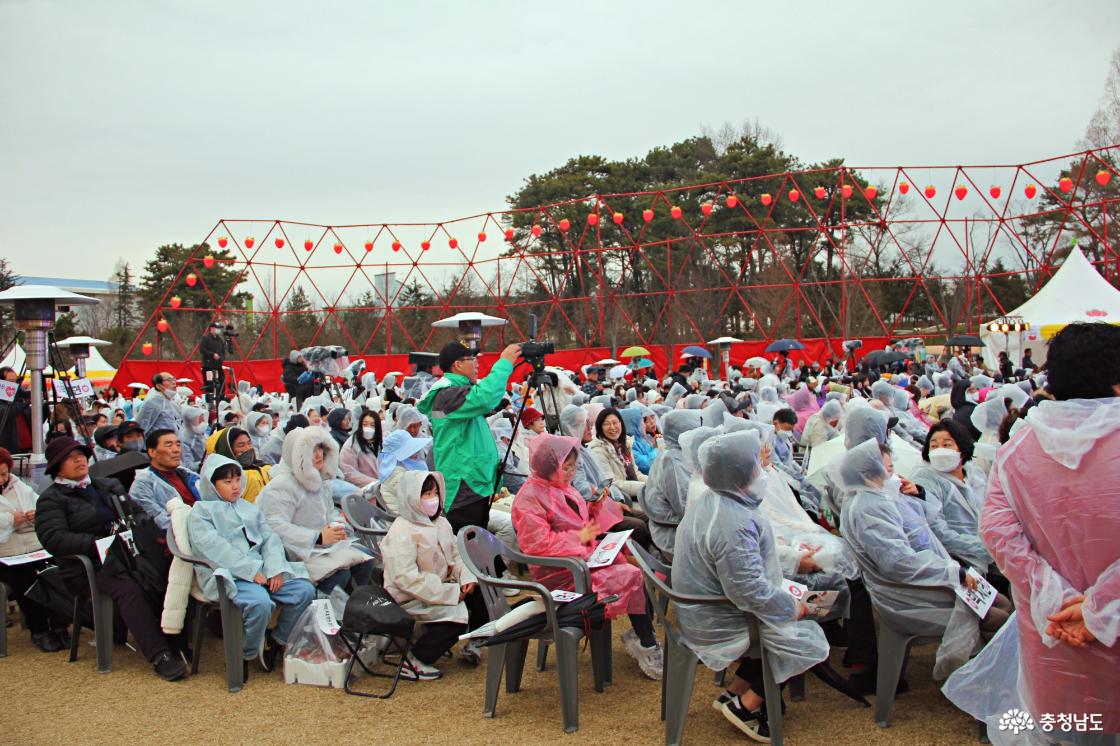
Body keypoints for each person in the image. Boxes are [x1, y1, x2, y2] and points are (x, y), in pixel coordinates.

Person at [980, 322, 1120, 732]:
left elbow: (997, 533)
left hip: (1055, 641)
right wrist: (1099, 608)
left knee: (1070, 731)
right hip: (1086, 630)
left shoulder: (1017, 449)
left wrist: (1058, 599)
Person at [672, 430, 829, 740]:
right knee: (804, 633)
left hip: (706, 608)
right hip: (720, 617)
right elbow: (748, 590)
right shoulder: (732, 520)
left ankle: (735, 690)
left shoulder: (719, 500)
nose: (763, 469)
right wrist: (791, 607)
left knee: (801, 611)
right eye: (757, 463)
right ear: (740, 471)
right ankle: (748, 705)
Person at [839, 439, 1009, 684]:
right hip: (909, 594)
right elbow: (897, 562)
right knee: (1001, 618)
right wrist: (953, 573)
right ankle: (988, 681)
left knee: (1003, 603)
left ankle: (991, 673)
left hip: (932, 578)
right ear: (868, 475)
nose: (894, 474)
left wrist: (915, 493)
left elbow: (922, 525)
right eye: (887, 470)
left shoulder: (882, 496)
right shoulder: (869, 506)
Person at [34, 437, 187, 681]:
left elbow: (137, 512)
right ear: (56, 467)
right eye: (70, 458)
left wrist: (137, 531)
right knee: (129, 588)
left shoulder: (108, 485)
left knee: (164, 571)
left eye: (81, 455)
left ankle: (175, 636)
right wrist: (97, 543)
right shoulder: (51, 500)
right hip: (86, 565)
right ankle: (159, 655)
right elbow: (54, 539)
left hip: (126, 555)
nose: (79, 460)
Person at [511, 433, 663, 679]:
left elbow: (578, 524)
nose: (571, 473)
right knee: (631, 574)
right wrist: (579, 539)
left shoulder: (563, 489)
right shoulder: (528, 498)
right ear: (548, 467)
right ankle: (645, 640)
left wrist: (594, 509)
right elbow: (536, 545)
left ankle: (643, 635)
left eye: (573, 467)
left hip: (582, 559)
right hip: (560, 572)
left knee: (632, 564)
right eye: (565, 468)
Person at [187, 454, 314, 677]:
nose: (235, 486)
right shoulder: (201, 512)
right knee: (260, 604)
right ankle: (243, 654)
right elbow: (215, 549)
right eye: (227, 482)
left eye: (237, 479)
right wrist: (251, 571)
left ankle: (275, 641)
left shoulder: (247, 507)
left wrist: (275, 569)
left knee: (305, 591)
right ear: (212, 484)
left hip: (263, 571)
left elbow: (269, 538)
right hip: (228, 574)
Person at [382, 471, 488, 679]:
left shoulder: (441, 523)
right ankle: (416, 660)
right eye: (426, 494)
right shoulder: (402, 531)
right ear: (411, 497)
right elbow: (405, 578)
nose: (433, 499)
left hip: (439, 585)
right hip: (410, 596)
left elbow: (456, 554)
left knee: (480, 591)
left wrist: (466, 577)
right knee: (456, 619)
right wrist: (448, 593)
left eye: (435, 493)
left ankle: (476, 640)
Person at [417, 341, 521, 534]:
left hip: (473, 482)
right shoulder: (448, 394)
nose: (477, 364)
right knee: (469, 549)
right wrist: (504, 362)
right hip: (464, 485)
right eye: (473, 359)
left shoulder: (456, 392)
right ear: (457, 365)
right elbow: (485, 397)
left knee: (477, 543)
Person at [256, 426, 374, 594]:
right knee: (340, 574)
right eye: (311, 450)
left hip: (321, 547)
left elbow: (328, 513)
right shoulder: (282, 486)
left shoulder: (320, 480)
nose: (318, 454)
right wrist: (317, 537)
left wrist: (338, 528)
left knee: (365, 559)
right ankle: (327, 611)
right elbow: (274, 526)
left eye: (320, 447)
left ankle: (356, 607)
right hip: (295, 552)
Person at [0, 447, 70, 651]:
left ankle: (60, 624)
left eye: (4, 473)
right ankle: (38, 629)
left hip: (33, 547)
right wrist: (10, 520)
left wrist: (34, 516)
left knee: (55, 570)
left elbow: (43, 510)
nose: (2, 478)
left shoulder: (19, 486)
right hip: (6, 555)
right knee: (23, 577)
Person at [910, 420, 991, 573]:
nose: (940, 450)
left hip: (991, 548)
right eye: (934, 446)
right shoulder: (925, 481)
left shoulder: (975, 474)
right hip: (957, 560)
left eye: (947, 445)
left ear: (961, 448)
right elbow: (939, 533)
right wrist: (986, 547)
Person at [640, 409, 702, 555]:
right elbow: (685, 509)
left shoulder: (679, 455)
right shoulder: (673, 462)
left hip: (676, 527)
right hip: (673, 537)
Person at [129, 429, 202, 531]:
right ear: (152, 452)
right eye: (169, 445)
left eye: (178, 445)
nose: (176, 450)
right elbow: (158, 519)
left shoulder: (188, 474)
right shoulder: (142, 484)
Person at [587, 408, 647, 499]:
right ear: (600, 427)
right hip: (620, 499)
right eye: (606, 424)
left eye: (615, 423)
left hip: (636, 493)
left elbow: (636, 473)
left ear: (621, 423)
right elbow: (612, 483)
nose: (612, 427)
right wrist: (645, 487)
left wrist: (653, 483)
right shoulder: (598, 450)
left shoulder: (625, 444)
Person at [206, 427, 271, 503]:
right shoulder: (223, 476)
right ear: (227, 450)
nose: (248, 448)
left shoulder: (265, 467)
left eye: (249, 443)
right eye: (241, 445)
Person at [378, 429, 434, 514]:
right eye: (410, 450)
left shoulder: (407, 466)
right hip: (403, 520)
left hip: (414, 514)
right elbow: (419, 496)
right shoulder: (395, 474)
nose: (416, 451)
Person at [339, 408, 382, 491]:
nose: (368, 428)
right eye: (365, 424)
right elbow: (349, 472)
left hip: (380, 489)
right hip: (363, 490)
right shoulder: (351, 444)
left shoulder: (379, 443)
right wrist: (375, 483)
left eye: (372, 425)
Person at [200, 321, 226, 404]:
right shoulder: (205, 338)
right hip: (208, 366)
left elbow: (223, 351)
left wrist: (221, 358)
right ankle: (210, 404)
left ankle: (221, 402)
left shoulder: (220, 340)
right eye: (217, 328)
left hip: (218, 366)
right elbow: (202, 350)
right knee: (210, 386)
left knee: (221, 384)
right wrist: (212, 355)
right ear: (211, 328)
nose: (218, 330)